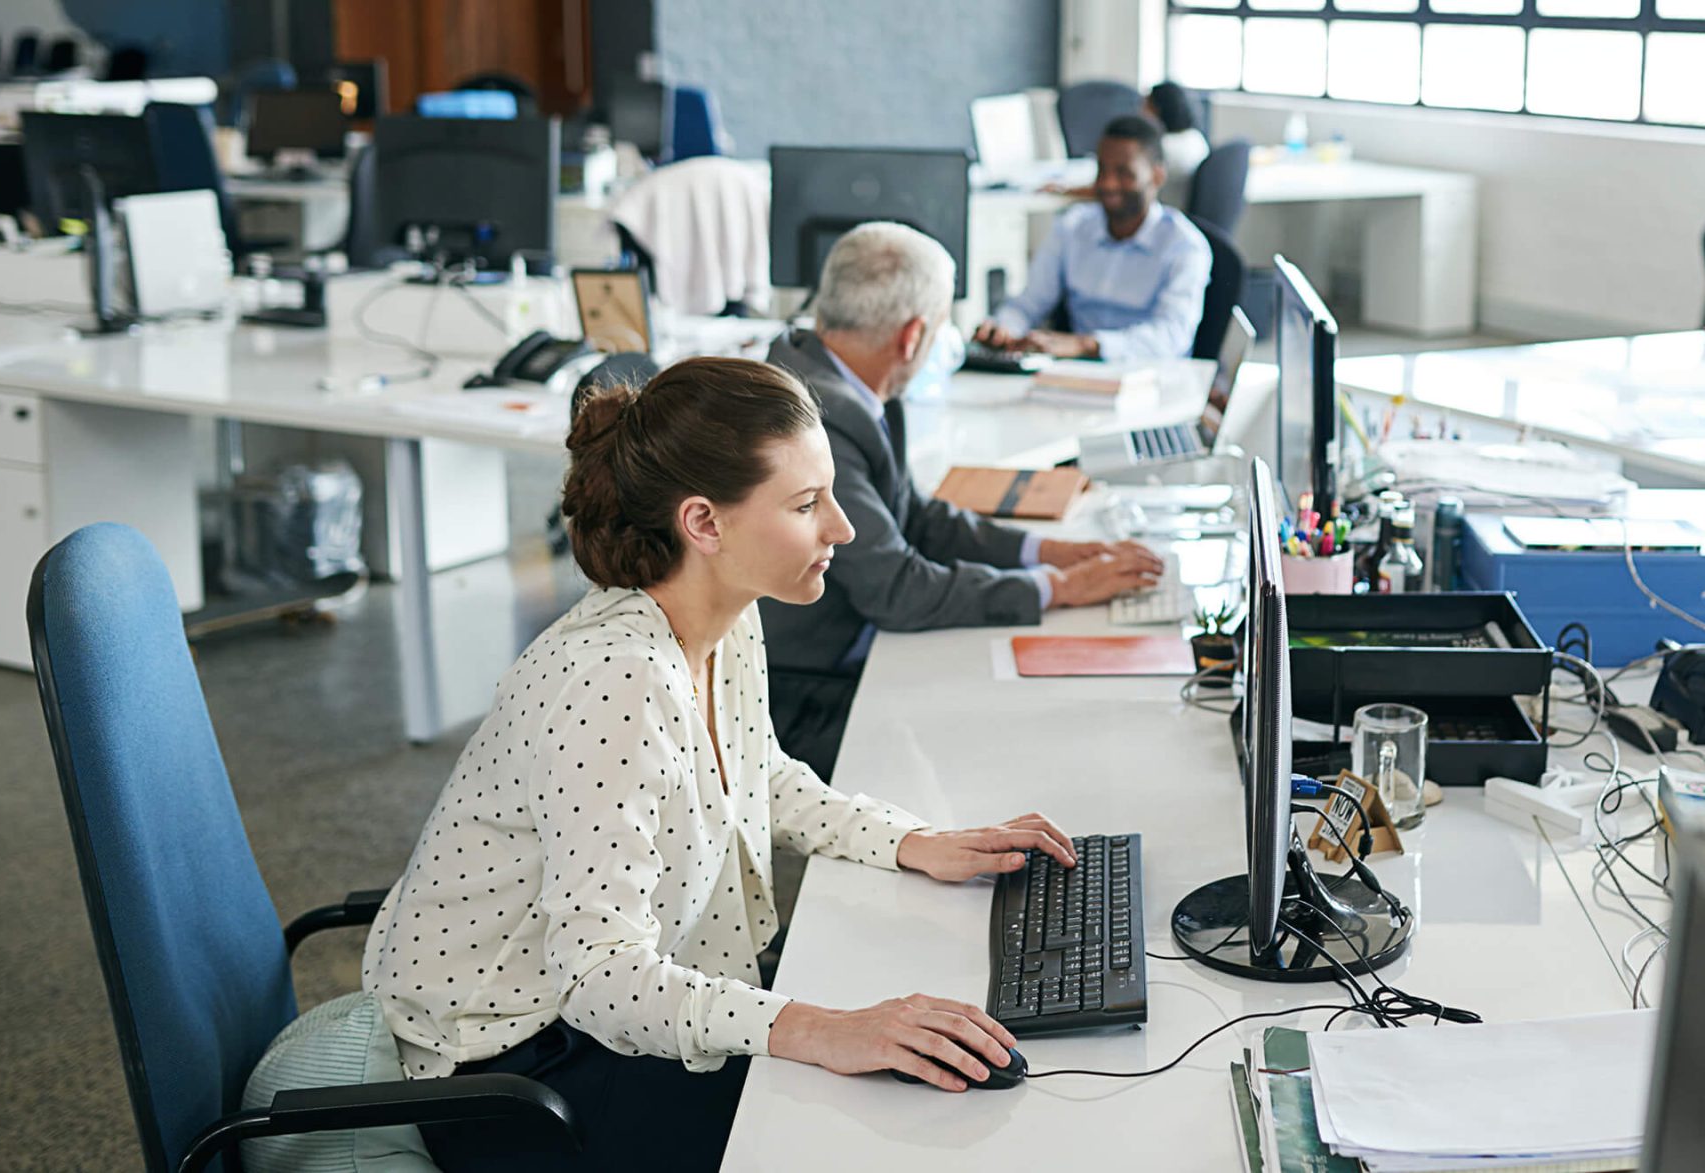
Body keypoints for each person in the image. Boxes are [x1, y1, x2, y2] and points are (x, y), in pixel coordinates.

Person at [364, 356, 1089, 1173]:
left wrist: (911, 840)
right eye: (807, 503)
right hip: (512, 1073)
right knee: (861, 1136)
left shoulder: (722, 618)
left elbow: (757, 773)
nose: (842, 529)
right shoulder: (613, 681)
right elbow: (600, 977)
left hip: (609, 1016)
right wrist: (820, 1027)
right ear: (704, 523)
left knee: (897, 1075)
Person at [762, 222, 1163, 777]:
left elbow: (918, 518)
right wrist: (1061, 590)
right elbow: (897, 589)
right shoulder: (817, 419)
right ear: (912, 337)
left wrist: (1046, 552)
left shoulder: (838, 377)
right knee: (1003, 740)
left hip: (853, 652)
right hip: (807, 691)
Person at [975, 114, 1213, 361]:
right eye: (1102, 170)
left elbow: (1170, 337)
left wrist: (1089, 345)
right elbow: (1029, 303)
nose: (1108, 184)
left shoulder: (1185, 246)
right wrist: (1004, 327)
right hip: (1080, 374)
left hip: (1153, 376)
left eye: (1124, 173)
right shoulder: (1072, 228)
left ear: (1156, 176)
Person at [1144, 81, 1210, 205]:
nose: (1141, 112)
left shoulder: (1163, 148)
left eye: (1145, 106)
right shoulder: (1196, 138)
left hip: (1165, 209)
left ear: (1158, 109)